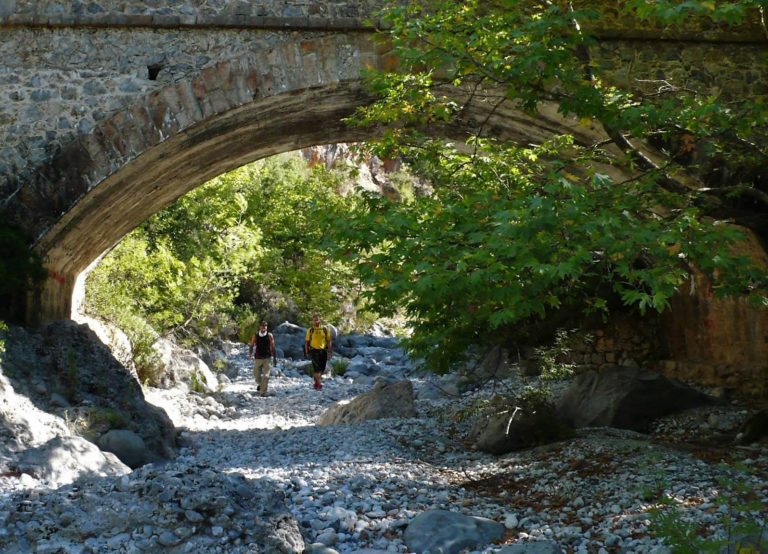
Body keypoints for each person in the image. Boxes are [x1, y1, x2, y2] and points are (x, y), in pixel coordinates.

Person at [248, 321, 276, 396]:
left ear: (267, 327)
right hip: (258, 358)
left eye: (265, 326)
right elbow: (251, 345)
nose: (264, 327)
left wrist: (275, 358)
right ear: (259, 327)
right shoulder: (256, 335)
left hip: (267, 358)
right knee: (256, 375)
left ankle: (263, 392)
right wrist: (250, 353)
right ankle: (261, 384)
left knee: (266, 376)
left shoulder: (269, 335)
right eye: (262, 326)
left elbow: (273, 346)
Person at [304, 314, 332, 390]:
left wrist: (329, 351)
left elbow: (329, 341)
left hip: (323, 351)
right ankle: (319, 384)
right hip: (313, 350)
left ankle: (316, 382)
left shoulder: (325, 329)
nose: (316, 320)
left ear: (320, 320)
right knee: (317, 368)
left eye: (317, 319)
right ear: (312, 321)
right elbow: (307, 342)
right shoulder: (310, 330)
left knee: (322, 368)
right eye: (314, 319)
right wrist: (306, 351)